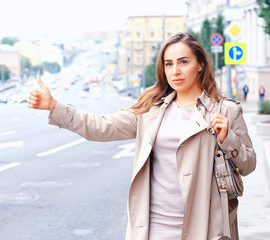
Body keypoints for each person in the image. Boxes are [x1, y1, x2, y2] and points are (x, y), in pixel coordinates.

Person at [28, 32, 256, 240]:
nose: (175, 71)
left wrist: (228, 139)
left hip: (204, 227)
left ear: (200, 65)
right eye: (169, 64)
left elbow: (249, 164)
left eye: (183, 62)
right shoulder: (151, 111)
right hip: (153, 227)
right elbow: (100, 126)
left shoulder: (225, 111)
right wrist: (54, 106)